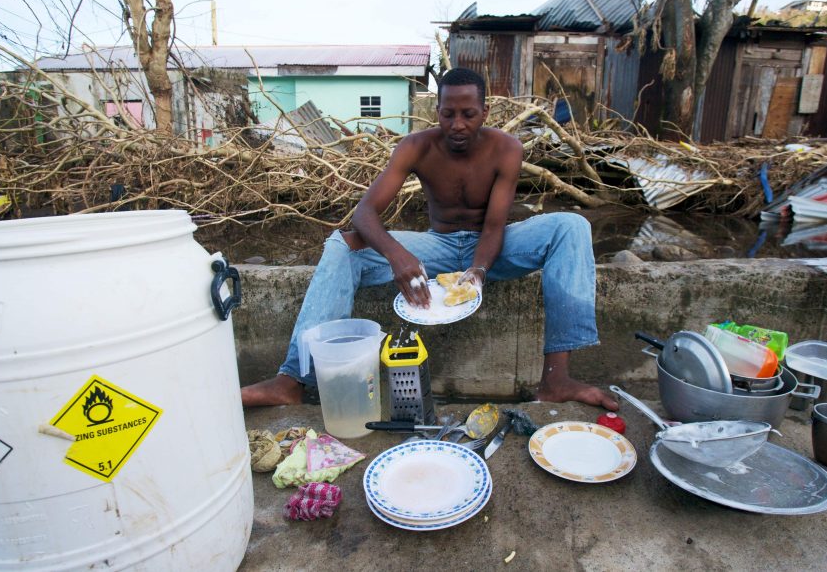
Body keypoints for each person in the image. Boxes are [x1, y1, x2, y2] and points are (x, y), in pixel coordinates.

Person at [241, 67, 619, 411]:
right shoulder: (415, 147)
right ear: (435, 111)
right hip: (437, 248)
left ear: (485, 113)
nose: (457, 124)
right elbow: (364, 213)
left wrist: (478, 271)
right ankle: (291, 379)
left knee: (572, 226)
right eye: (447, 114)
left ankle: (556, 380)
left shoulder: (507, 149)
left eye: (468, 114)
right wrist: (397, 255)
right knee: (344, 245)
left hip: (492, 248)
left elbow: (493, 227)